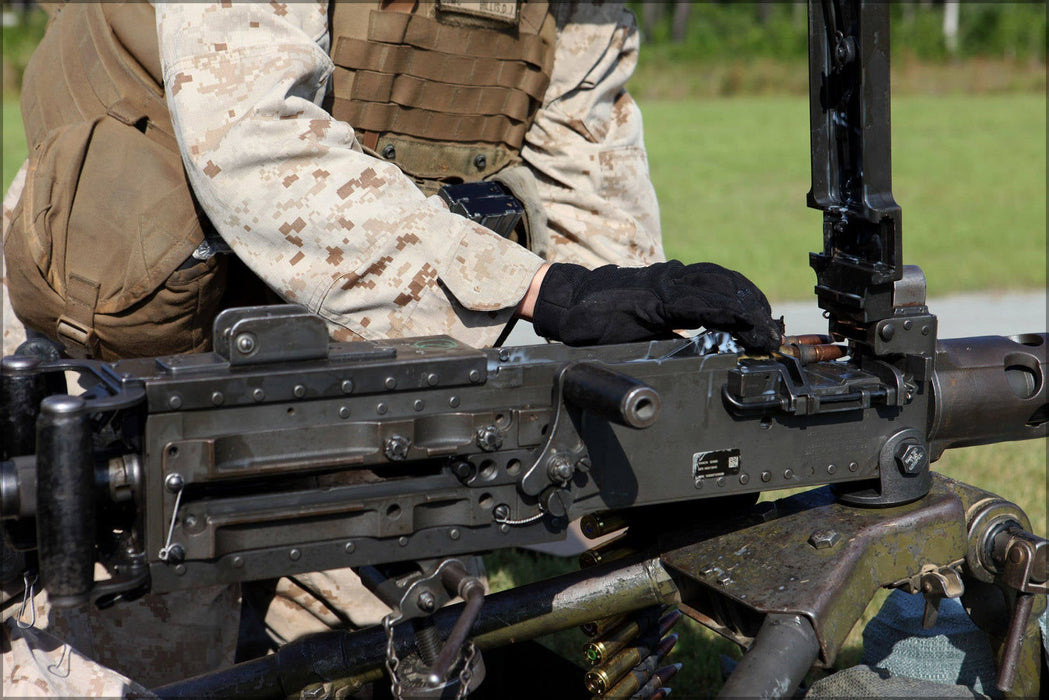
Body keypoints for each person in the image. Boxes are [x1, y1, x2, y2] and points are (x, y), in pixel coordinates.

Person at [2, 1, 781, 696]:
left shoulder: (575, 14)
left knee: (416, 652)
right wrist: (539, 290)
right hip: (123, 355)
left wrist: (660, 404)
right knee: (120, 664)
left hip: (357, 367)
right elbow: (253, 143)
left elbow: (591, 201)